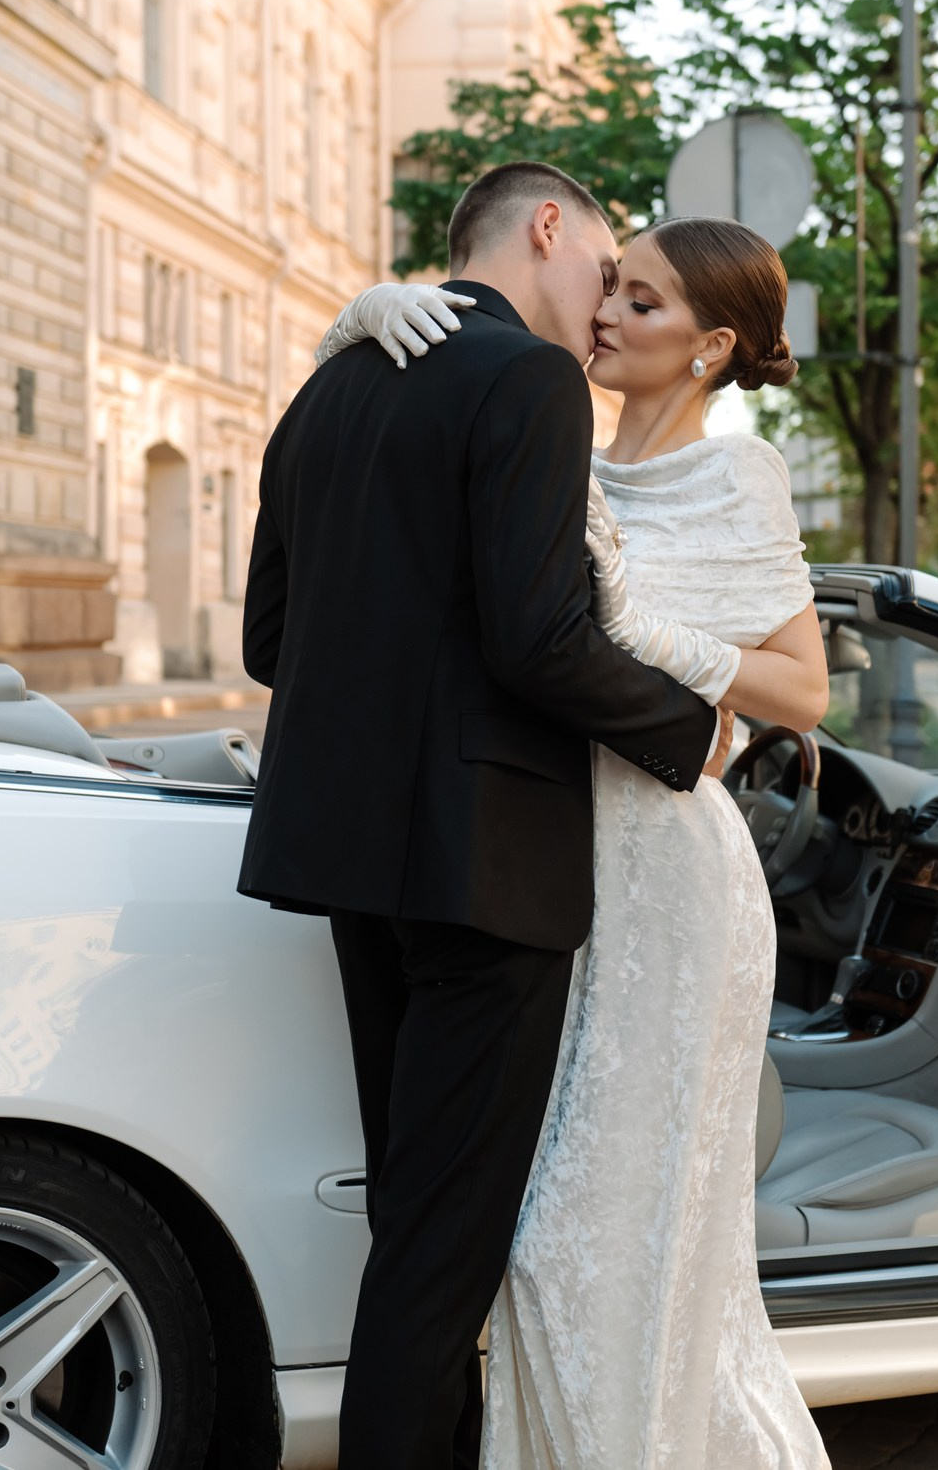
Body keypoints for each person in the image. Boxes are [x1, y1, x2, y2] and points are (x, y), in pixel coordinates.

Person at [318, 208, 833, 1468]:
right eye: (611, 288)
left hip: (665, 874)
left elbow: (802, 691)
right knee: (518, 1229)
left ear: (711, 349)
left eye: (642, 302)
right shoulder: (551, 443)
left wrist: (645, 638)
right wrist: (357, 324)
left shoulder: (739, 474)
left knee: (610, 1218)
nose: (606, 313)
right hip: (529, 857)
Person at [237, 161, 732, 1470]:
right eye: (604, 268)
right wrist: (695, 731)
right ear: (548, 227)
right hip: (485, 868)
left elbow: (271, 638)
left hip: (347, 861)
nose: (603, 304)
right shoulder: (523, 378)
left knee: (415, 1217)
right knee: (441, 1252)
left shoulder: (332, 383)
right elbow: (538, 639)